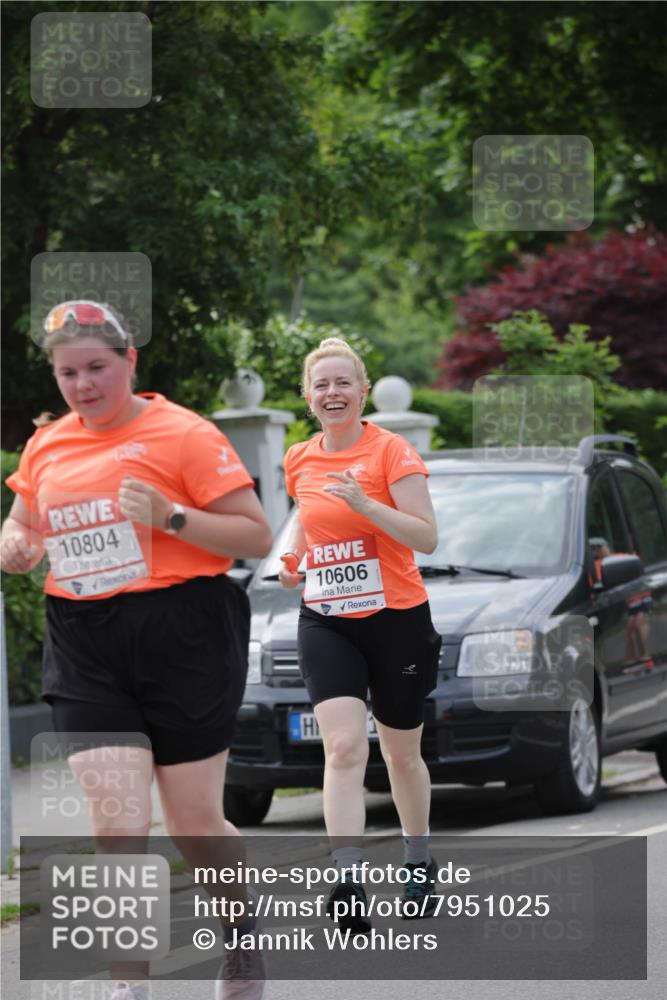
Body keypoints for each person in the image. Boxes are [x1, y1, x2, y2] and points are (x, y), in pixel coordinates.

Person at [0, 301, 272, 1000]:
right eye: (67, 373)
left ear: (130, 360)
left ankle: (240, 937)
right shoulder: (47, 443)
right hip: (84, 638)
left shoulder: (184, 434)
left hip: (184, 633)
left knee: (193, 822)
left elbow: (255, 535)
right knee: (118, 823)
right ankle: (129, 988)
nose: (83, 385)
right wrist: (16, 545)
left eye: (96, 367)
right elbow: (22, 524)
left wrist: (170, 516)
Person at [279, 337, 442, 929]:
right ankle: (347, 880)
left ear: (363, 391)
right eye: (321, 385)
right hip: (327, 618)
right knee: (344, 747)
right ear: (307, 397)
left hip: (396, 619)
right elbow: (305, 518)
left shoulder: (391, 452)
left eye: (343, 382)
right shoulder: (299, 457)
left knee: (401, 754)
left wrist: (365, 503)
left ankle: (417, 858)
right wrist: (292, 557)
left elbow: (426, 537)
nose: (333, 393)